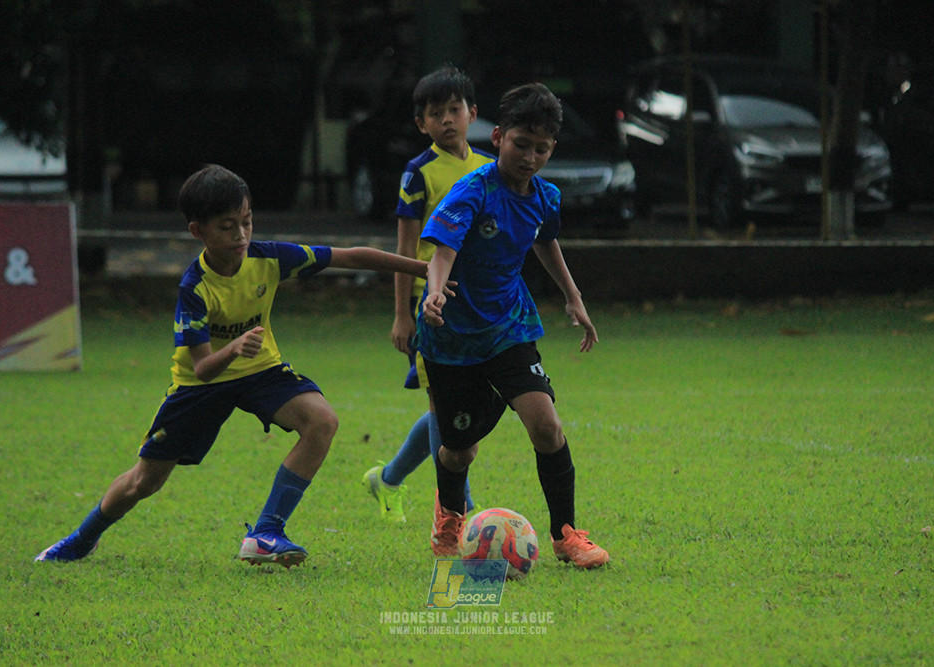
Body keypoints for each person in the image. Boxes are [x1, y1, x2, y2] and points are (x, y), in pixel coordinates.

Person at [35, 164, 444, 568]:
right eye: (227, 227)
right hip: (200, 386)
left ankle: (266, 532)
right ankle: (80, 539)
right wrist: (232, 348)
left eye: (246, 222)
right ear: (199, 231)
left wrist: (426, 270)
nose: (242, 235)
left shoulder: (268, 258)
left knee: (322, 421)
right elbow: (203, 369)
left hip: (261, 371)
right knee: (147, 480)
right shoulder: (194, 288)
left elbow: (351, 257)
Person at [417, 83, 610, 569]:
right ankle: (450, 513)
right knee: (459, 452)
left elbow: (545, 242)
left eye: (541, 148)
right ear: (499, 136)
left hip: (510, 326)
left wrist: (574, 296)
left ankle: (567, 535)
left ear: (552, 150)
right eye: (521, 144)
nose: (529, 156)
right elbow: (442, 251)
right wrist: (435, 291)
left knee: (546, 426)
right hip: (452, 337)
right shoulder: (472, 190)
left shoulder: (546, 196)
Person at [361, 66, 494, 523]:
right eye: (436, 114)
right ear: (422, 124)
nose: (447, 120)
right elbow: (403, 250)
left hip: (482, 305)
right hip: (433, 305)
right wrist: (402, 315)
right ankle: (465, 514)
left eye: (455, 109)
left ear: (472, 113)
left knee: (461, 411)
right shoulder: (418, 174)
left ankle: (389, 478)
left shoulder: (488, 169)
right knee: (446, 411)